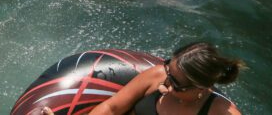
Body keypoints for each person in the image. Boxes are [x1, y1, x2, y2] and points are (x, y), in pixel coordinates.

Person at [87, 41, 244, 115]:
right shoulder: (157, 75)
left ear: (200, 87)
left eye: (175, 84)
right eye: (168, 69)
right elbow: (111, 108)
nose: (163, 84)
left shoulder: (219, 112)